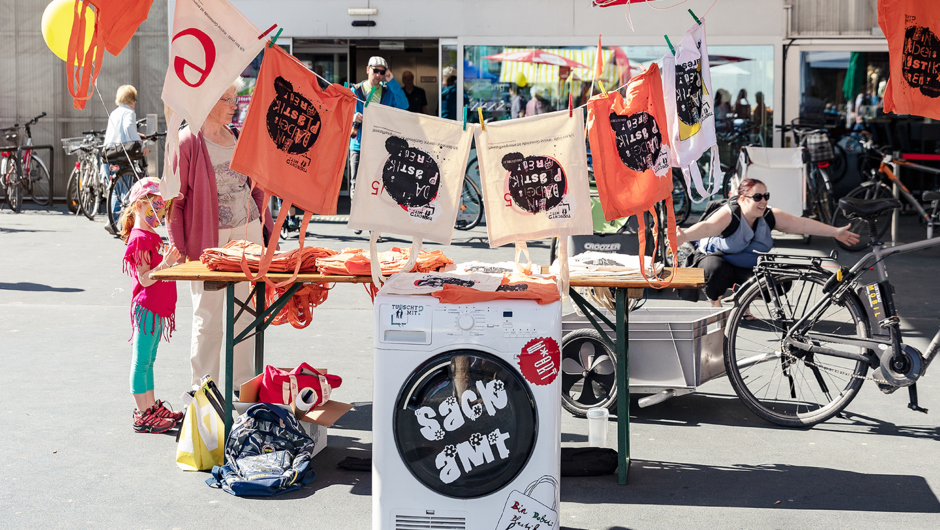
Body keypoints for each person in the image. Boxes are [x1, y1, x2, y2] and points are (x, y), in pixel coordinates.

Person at [167, 79, 274, 392]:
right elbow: (176, 200)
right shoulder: (188, 141)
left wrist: (267, 235)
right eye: (228, 99)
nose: (234, 105)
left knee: (247, 315)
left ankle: (244, 389)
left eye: (235, 98)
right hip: (209, 243)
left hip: (249, 234)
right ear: (208, 100)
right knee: (208, 317)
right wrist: (180, 247)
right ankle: (203, 392)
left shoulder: (240, 136)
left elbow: (257, 190)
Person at [677, 178, 860, 307]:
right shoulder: (730, 213)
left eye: (766, 196)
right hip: (718, 261)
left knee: (781, 279)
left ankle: (742, 302)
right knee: (714, 268)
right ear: (742, 199)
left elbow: (799, 224)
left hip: (748, 266)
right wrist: (683, 236)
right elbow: (708, 227)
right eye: (757, 197)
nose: (763, 201)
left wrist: (835, 232)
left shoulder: (768, 214)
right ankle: (715, 306)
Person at [118, 177, 183, 433]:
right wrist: (165, 265)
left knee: (150, 359)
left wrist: (172, 262)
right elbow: (144, 279)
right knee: (141, 360)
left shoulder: (152, 235)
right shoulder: (139, 238)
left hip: (157, 308)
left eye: (161, 205)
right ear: (137, 206)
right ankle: (143, 413)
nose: (158, 210)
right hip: (146, 308)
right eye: (153, 205)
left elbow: (160, 268)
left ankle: (151, 406)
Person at [349, 56, 409, 202]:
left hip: (380, 147)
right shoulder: (354, 90)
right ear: (368, 70)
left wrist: (392, 81)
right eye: (375, 71)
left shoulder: (388, 92)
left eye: (382, 72)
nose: (378, 75)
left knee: (378, 185)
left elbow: (404, 105)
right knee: (356, 185)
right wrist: (352, 116)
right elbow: (340, 114)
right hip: (358, 146)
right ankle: (358, 222)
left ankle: (372, 222)